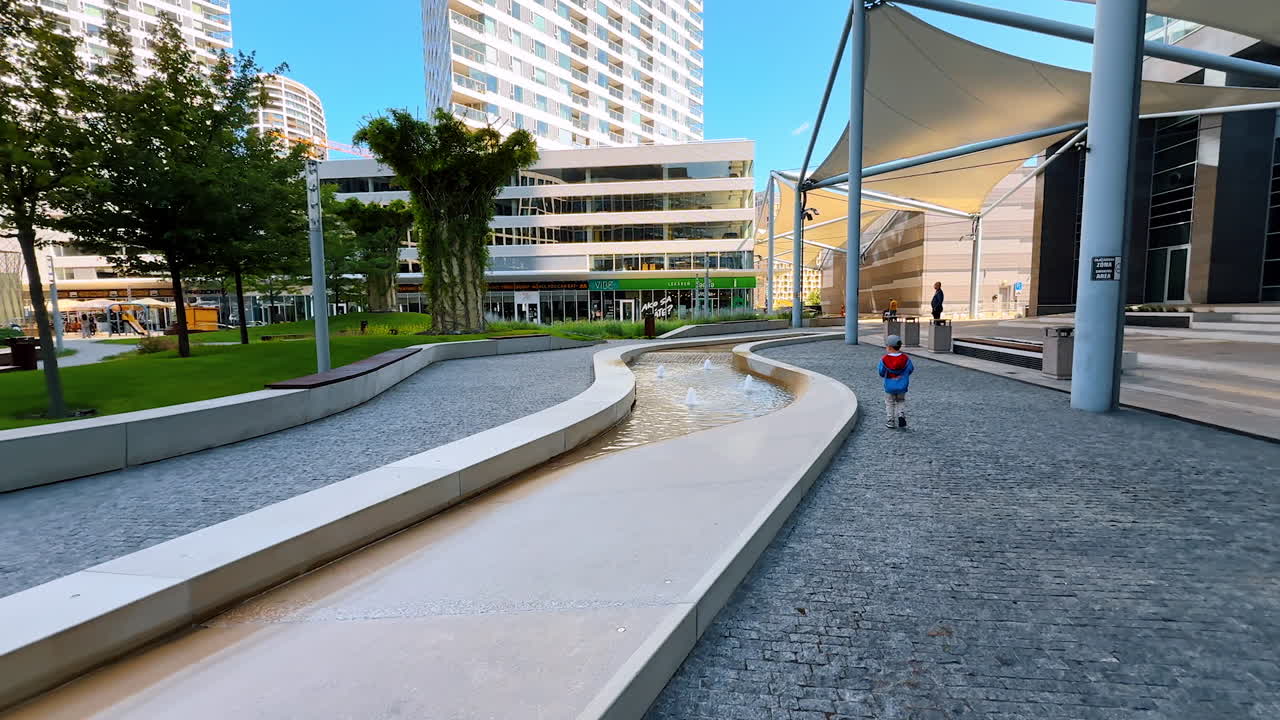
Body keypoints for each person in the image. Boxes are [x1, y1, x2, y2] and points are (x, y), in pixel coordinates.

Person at [877, 334, 915, 429]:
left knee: (889, 402)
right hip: (902, 385)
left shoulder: (884, 359)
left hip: (889, 386)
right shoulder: (905, 358)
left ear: (889, 347)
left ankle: (890, 421)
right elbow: (910, 369)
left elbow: (881, 372)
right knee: (901, 400)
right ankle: (901, 415)